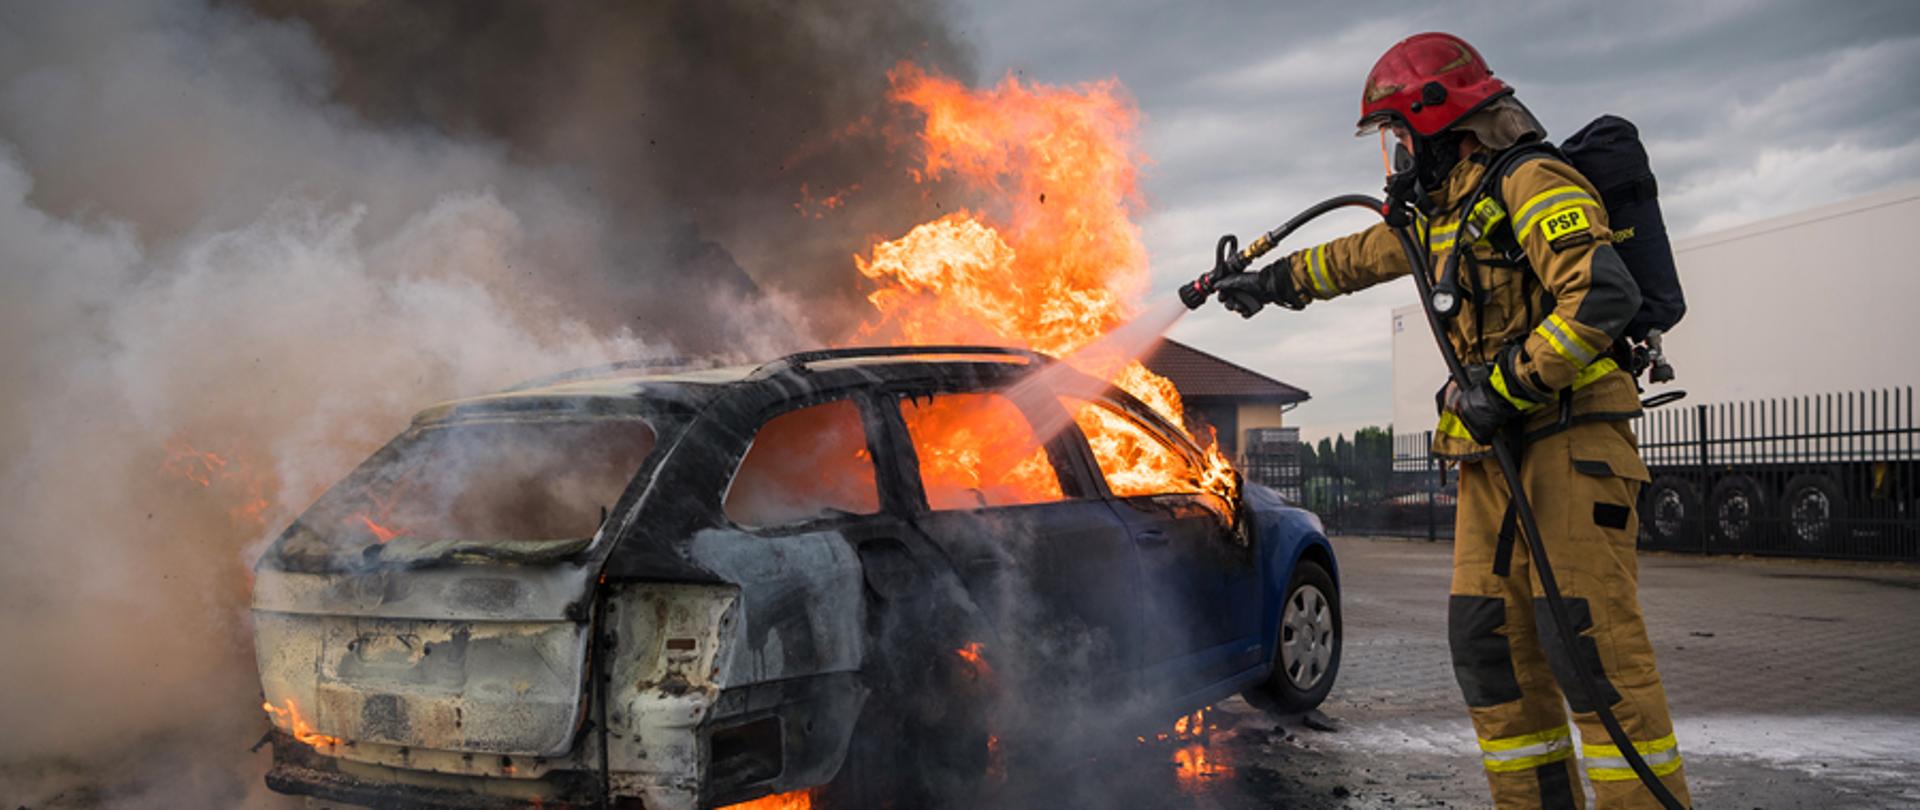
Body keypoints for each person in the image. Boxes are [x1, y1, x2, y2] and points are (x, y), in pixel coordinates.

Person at [1212, 32, 1691, 809]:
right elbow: (1358, 256)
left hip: (1570, 445)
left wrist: (1505, 383)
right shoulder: (1447, 213)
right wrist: (1269, 283)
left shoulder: (1532, 181)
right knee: (1487, 644)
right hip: (1495, 457)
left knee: (1591, 653)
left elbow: (1604, 296)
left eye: (1397, 136)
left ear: (1440, 123)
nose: (1394, 157)